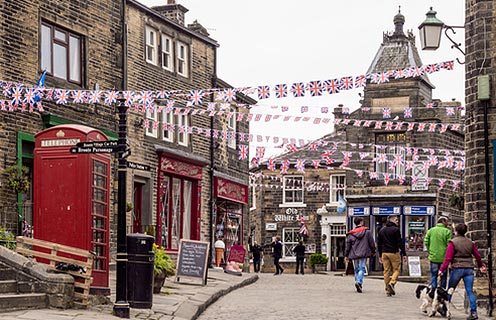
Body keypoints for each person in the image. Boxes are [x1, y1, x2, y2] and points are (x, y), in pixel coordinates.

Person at [439, 223, 486, 320]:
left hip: (457, 268)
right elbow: (477, 256)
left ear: (456, 231)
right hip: (469, 269)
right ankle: (473, 312)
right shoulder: (470, 242)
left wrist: (441, 269)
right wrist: (481, 265)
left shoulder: (453, 242)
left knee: (450, 290)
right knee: (470, 291)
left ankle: (445, 309)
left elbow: (448, 258)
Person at [377, 215, 407, 297]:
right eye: (396, 220)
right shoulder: (396, 230)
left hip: (384, 253)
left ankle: (387, 290)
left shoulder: (382, 230)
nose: (398, 221)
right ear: (391, 220)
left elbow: (379, 243)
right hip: (394, 252)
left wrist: (380, 255)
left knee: (386, 271)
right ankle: (392, 282)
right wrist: (404, 253)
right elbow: (399, 242)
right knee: (396, 270)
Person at [345, 217, 376, 293]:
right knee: (362, 268)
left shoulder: (351, 233)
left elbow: (348, 246)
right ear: (361, 222)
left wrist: (346, 255)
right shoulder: (367, 232)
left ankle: (357, 282)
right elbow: (371, 242)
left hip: (354, 254)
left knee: (356, 269)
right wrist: (373, 250)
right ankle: (359, 282)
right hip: (363, 253)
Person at [424, 216, 452, 289]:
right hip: (444, 258)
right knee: (443, 275)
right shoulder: (447, 231)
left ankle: (433, 291)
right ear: (443, 221)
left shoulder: (431, 230)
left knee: (433, 275)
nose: (447, 223)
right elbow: (449, 245)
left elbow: (426, 241)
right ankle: (442, 291)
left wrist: (429, 250)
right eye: (446, 221)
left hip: (433, 257)